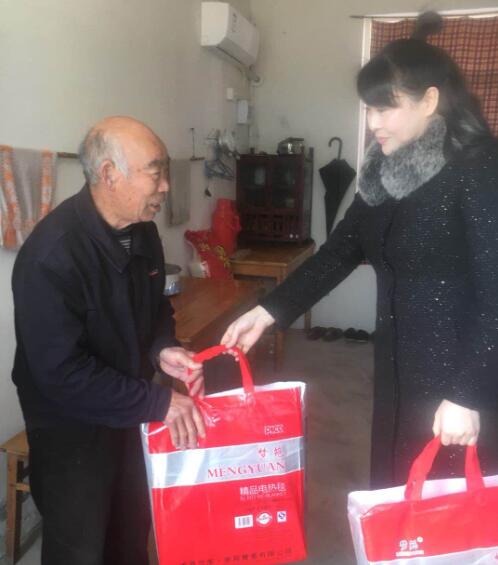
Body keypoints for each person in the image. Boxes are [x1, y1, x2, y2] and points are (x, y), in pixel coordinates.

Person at [222, 12, 498, 489]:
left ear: (430, 101)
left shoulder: (476, 167)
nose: (373, 124)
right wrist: (269, 310)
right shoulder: (382, 173)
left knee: (447, 505)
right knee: (394, 488)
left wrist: (468, 392)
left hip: (460, 373)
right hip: (395, 366)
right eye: (369, 110)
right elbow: (339, 252)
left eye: (385, 109)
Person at [11, 116, 206, 565]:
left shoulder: (144, 233)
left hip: (129, 412)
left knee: (131, 533)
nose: (165, 187)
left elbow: (155, 308)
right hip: (70, 432)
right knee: (80, 547)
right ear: (109, 174)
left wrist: (162, 347)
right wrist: (159, 402)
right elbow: (61, 374)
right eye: (155, 172)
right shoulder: (51, 255)